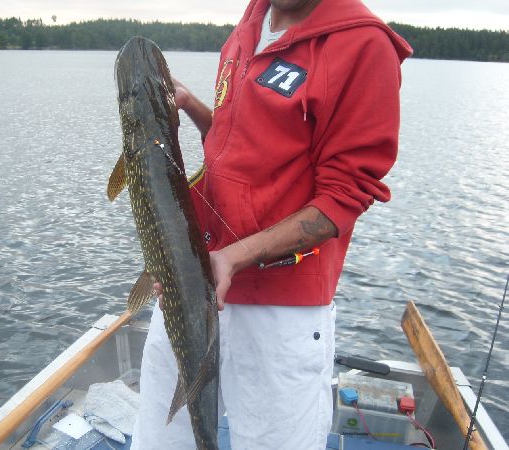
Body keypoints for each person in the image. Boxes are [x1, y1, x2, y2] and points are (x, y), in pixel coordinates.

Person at [131, 0, 412, 448]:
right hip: (195, 280)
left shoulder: (362, 46)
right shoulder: (250, 24)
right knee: (161, 438)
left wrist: (234, 258)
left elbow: (343, 198)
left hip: (280, 309)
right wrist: (191, 106)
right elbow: (233, 146)